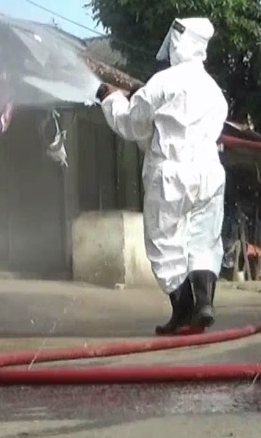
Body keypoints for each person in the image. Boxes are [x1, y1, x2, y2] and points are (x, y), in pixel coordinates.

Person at [96, 17, 228, 336]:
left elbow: (131, 124)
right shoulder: (214, 91)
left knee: (164, 243)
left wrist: (110, 98)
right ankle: (204, 303)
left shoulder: (163, 83)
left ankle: (181, 310)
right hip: (209, 173)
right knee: (203, 239)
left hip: (170, 172)